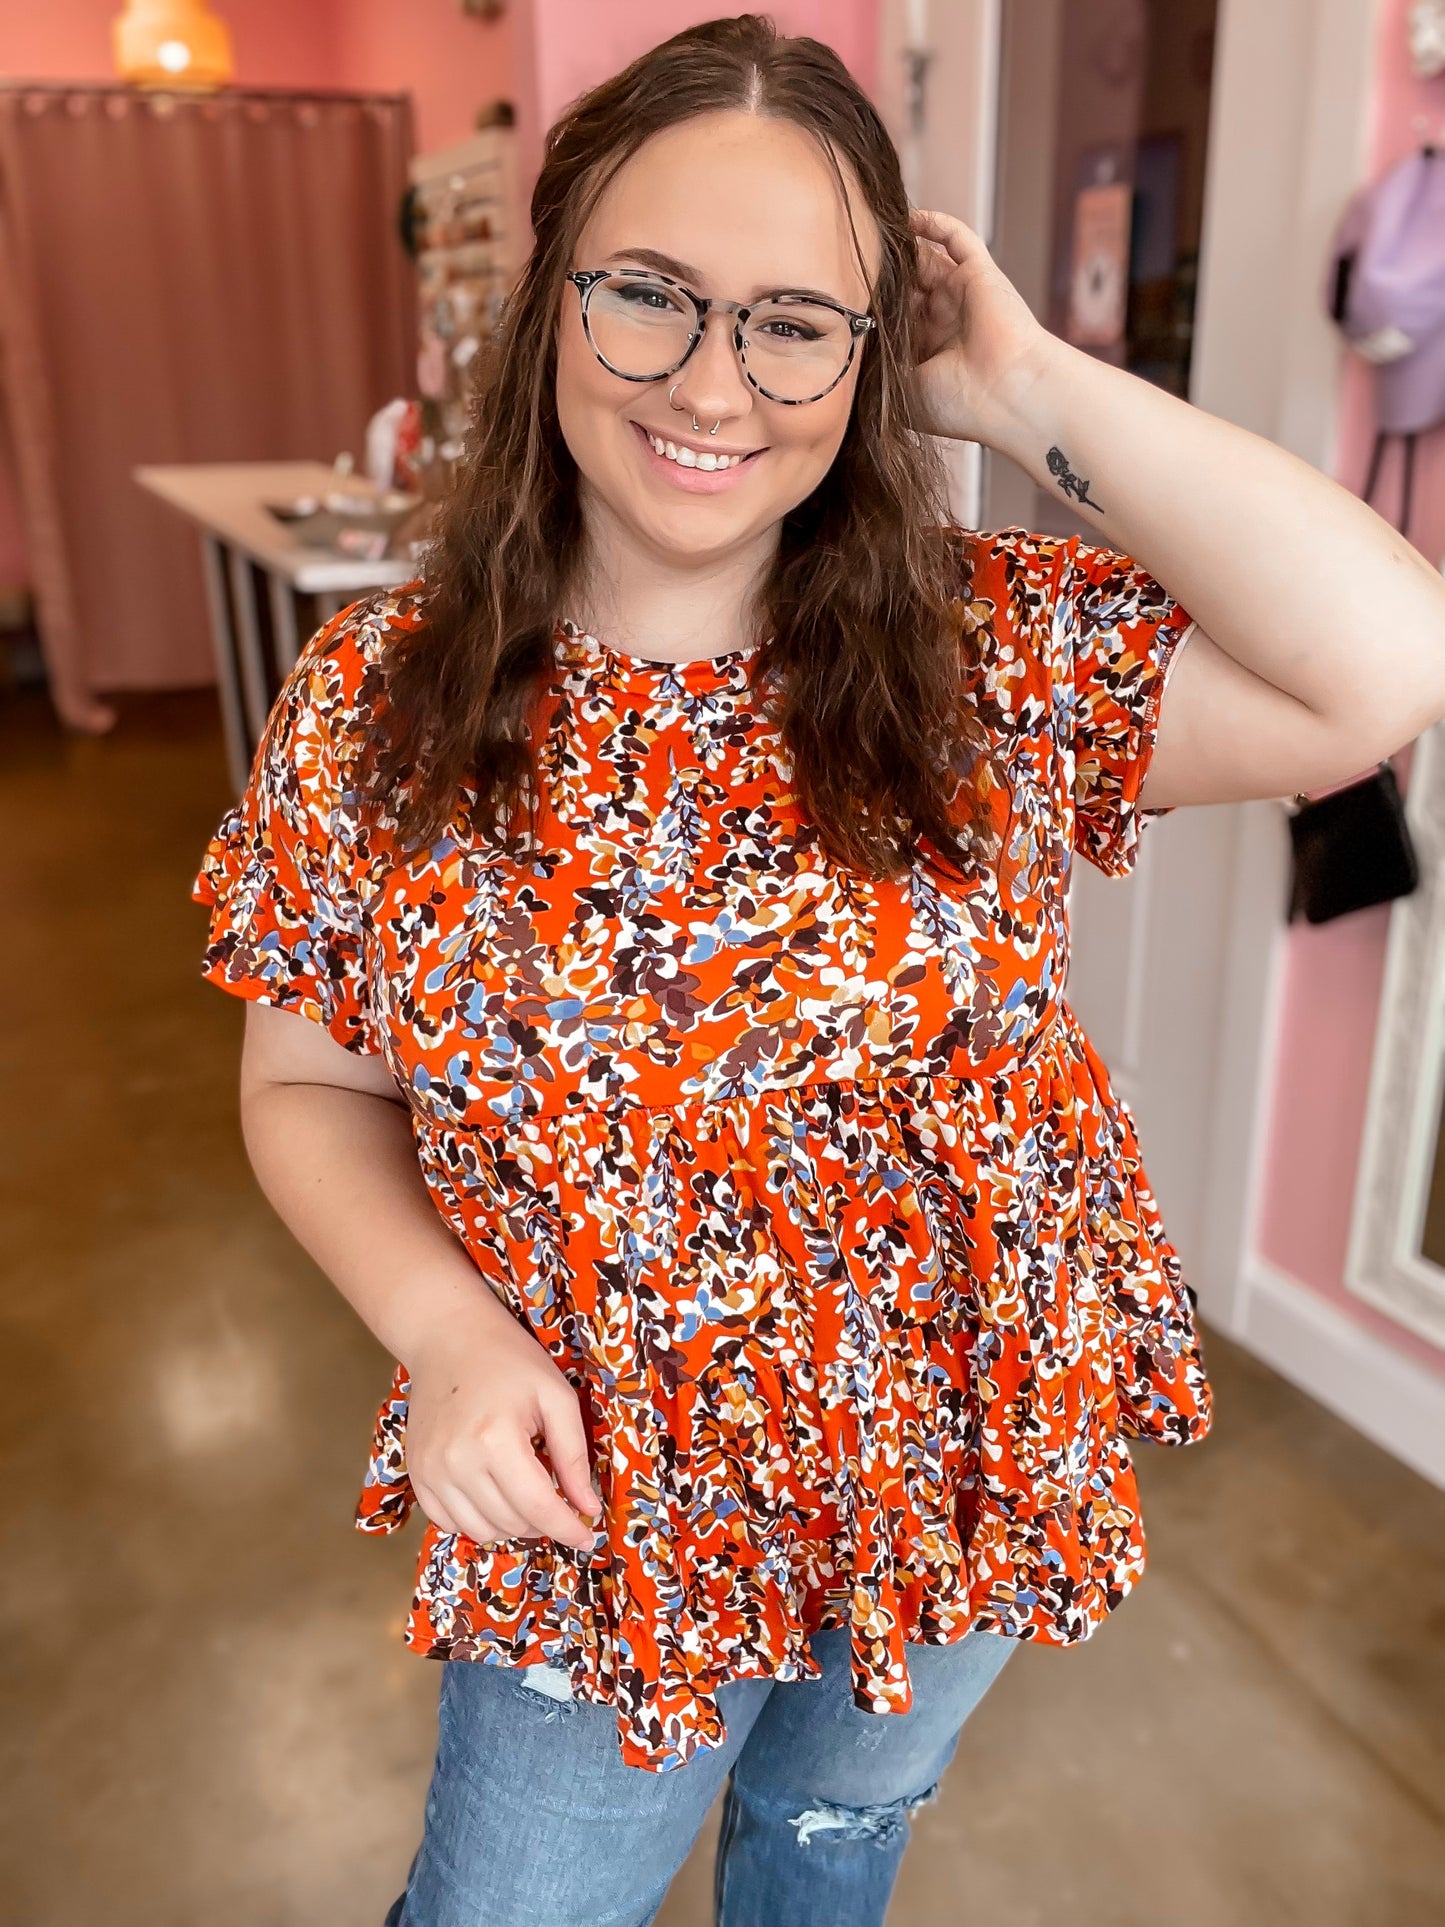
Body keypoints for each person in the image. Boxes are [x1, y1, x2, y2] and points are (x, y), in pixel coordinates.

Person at [192, 17, 1445, 1927]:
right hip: (598, 1497)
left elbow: (1380, 661)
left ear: (871, 357)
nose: (716, 380)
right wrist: (448, 1337)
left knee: (833, 1841)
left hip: (959, 1440)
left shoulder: (972, 659)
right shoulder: (383, 701)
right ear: (550, 305)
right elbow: (307, 1084)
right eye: (650, 297)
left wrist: (1018, 384)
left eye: (795, 321)